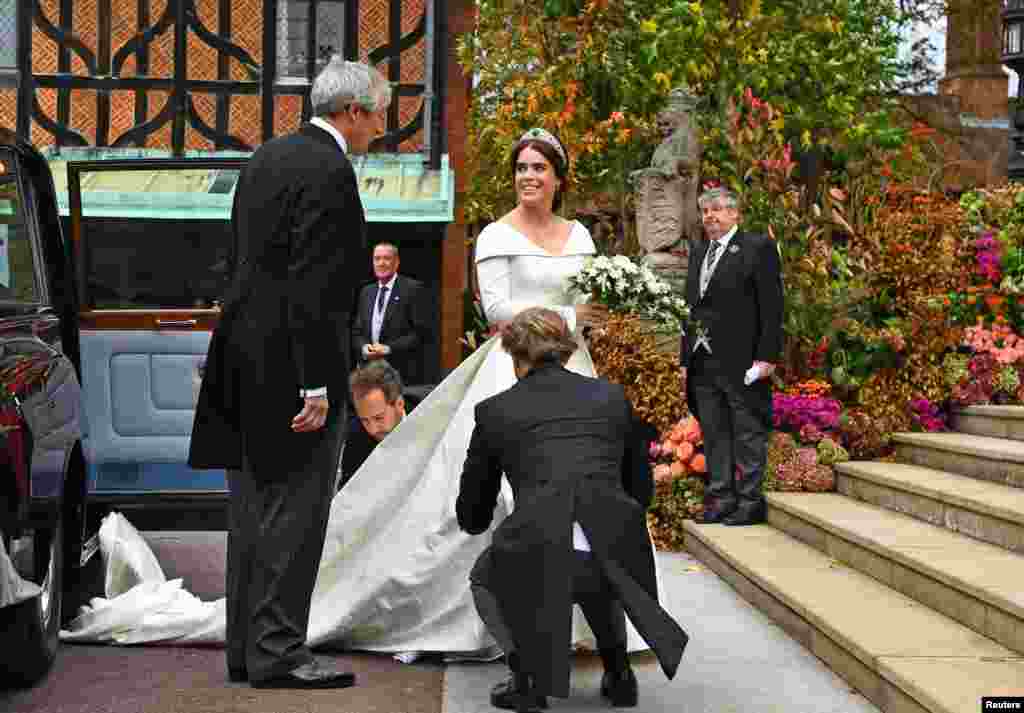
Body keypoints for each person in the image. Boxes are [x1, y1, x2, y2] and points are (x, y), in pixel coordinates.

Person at [64, 127, 663, 663]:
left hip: (575, 370)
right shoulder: (497, 235)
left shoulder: (580, 234)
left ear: (559, 178)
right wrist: (567, 313)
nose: (528, 177)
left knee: (592, 495)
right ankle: (508, 624)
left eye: (540, 167)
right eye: (521, 167)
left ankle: (589, 627)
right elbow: (501, 312)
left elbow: (594, 306)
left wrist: (584, 319)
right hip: (511, 371)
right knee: (501, 497)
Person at [187, 58, 390, 688]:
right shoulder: (331, 171)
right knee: (297, 511)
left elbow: (246, 265)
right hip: (294, 369)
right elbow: (315, 286)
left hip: (242, 360)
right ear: (352, 111)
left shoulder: (265, 158)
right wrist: (316, 383)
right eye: (379, 114)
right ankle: (279, 651)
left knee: (250, 509)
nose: (381, 128)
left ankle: (248, 649)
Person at [457, 308, 688, 711]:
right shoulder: (611, 397)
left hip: (542, 551)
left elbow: (473, 512)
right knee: (596, 553)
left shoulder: (495, 411)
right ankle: (619, 675)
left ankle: (527, 680)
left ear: (515, 357)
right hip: (614, 550)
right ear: (565, 352)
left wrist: (482, 521)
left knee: (485, 578)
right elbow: (640, 489)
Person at [680, 186, 784, 526]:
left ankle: (750, 501)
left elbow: (772, 306)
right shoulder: (698, 252)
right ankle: (722, 498)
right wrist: (685, 359)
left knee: (747, 430)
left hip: (743, 359)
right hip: (703, 359)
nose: (710, 217)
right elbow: (690, 307)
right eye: (706, 211)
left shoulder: (757, 248)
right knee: (714, 431)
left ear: (735, 214)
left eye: (718, 210)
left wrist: (766, 357)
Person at [351, 242, 431, 385]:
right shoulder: (366, 292)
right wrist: (364, 347)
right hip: (370, 371)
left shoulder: (413, 289)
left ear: (396, 262)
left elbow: (420, 333)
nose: (381, 263)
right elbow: (357, 331)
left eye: (386, 258)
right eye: (377, 258)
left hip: (400, 373)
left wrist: (388, 349)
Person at [339, 360, 426, 488]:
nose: (373, 430)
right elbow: (348, 495)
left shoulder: (428, 413)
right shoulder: (356, 437)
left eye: (378, 418)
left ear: (399, 404)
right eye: (364, 420)